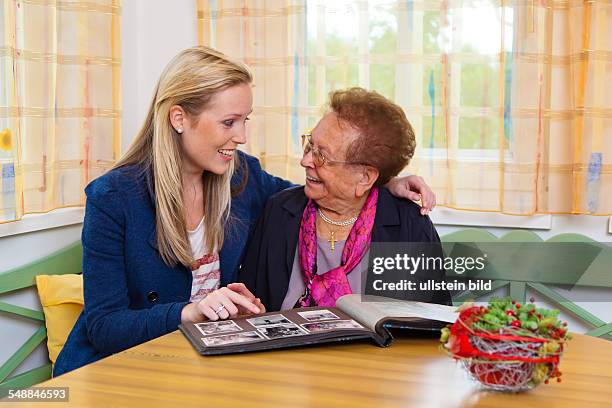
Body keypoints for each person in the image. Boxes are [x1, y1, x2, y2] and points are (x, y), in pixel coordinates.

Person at [54, 47, 437, 376]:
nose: (241, 136)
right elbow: (103, 326)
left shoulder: (241, 176)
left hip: (203, 364)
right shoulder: (113, 198)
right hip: (121, 368)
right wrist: (189, 312)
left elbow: (312, 191)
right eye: (228, 122)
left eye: (245, 120)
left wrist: (380, 183)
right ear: (179, 118)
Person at [239, 88, 451, 310]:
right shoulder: (280, 211)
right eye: (310, 146)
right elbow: (248, 306)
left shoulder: (408, 224)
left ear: (365, 177)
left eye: (322, 156)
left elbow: (432, 324)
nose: (306, 161)